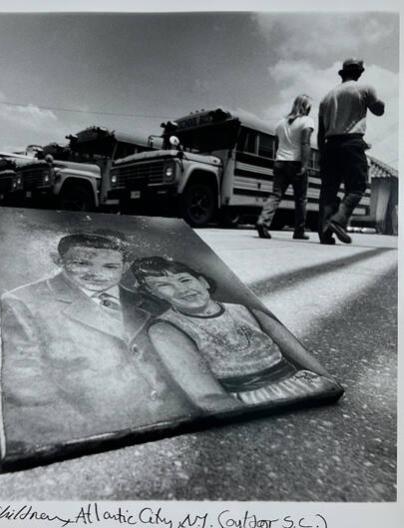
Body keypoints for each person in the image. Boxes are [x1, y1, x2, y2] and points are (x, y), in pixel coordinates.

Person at [0, 232, 195, 451]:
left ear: (125, 266)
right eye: (82, 263)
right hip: (87, 424)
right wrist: (87, 431)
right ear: (58, 261)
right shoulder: (23, 303)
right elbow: (25, 384)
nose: (96, 274)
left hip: (172, 412)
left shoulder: (152, 302)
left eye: (110, 266)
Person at [131, 256, 336, 407]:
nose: (182, 290)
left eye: (184, 280)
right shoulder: (166, 329)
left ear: (202, 281)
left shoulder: (245, 311)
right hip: (250, 401)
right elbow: (207, 397)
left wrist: (329, 382)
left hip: (302, 384)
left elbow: (300, 354)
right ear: (153, 293)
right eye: (163, 285)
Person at [318, 58, 385, 245]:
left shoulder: (327, 97)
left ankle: (325, 233)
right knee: (357, 186)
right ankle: (338, 221)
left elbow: (321, 131)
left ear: (342, 73)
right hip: (352, 143)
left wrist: (323, 153)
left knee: (328, 190)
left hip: (330, 145)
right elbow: (379, 111)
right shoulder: (365, 88)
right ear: (359, 72)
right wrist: (380, 103)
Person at [256, 94, 314, 240]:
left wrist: (279, 158)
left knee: (276, 194)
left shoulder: (281, 122)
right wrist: (305, 165)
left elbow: (277, 143)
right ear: (306, 107)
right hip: (296, 163)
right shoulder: (307, 121)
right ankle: (299, 231)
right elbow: (305, 143)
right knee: (301, 199)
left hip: (280, 162)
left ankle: (263, 221)